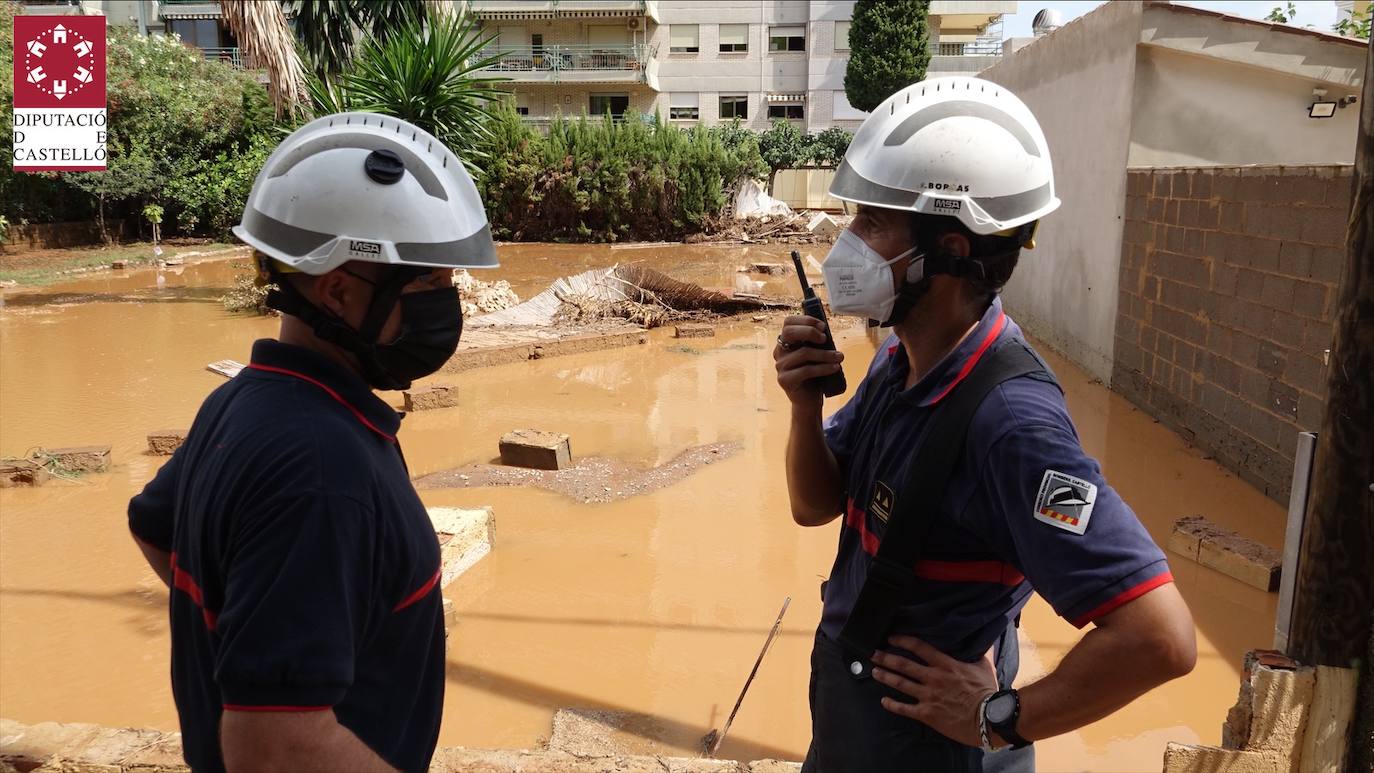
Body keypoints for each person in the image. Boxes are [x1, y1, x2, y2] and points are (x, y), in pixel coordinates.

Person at [774, 77, 1197, 772]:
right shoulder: (898, 362)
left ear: (951, 253)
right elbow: (812, 505)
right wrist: (802, 405)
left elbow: (1161, 636)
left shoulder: (1011, 424)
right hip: (858, 733)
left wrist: (1000, 718)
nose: (846, 244)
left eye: (873, 223)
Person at [128, 112, 498, 773]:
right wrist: (273, 671)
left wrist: (256, 631)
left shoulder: (244, 399)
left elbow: (156, 526)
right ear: (339, 292)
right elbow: (274, 749)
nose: (448, 303)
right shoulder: (322, 471)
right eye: (432, 282)